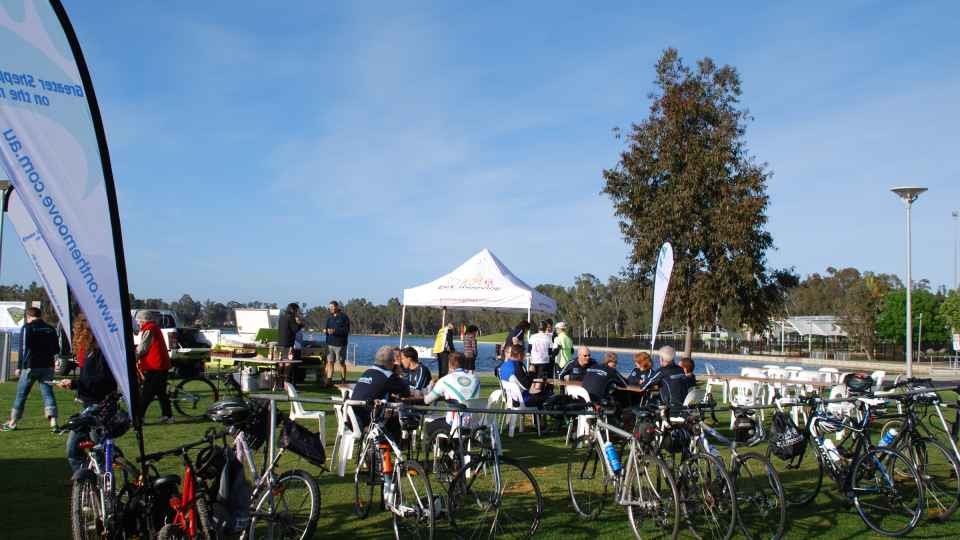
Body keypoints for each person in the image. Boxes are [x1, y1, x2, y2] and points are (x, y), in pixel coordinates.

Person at [57, 316, 117, 473]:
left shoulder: (100, 353)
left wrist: (75, 384)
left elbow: (103, 381)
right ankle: (88, 480)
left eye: (76, 331)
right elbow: (90, 378)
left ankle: (99, 480)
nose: (74, 335)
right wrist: (75, 384)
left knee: (82, 449)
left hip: (99, 406)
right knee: (86, 448)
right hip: (91, 405)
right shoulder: (91, 353)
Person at [2, 307, 60, 432]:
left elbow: (24, 349)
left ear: (28, 317)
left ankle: (12, 422)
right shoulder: (50, 329)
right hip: (47, 366)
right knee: (48, 393)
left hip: (31, 366)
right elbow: (56, 348)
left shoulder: (27, 328)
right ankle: (54, 423)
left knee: (21, 394)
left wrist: (19, 366)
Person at [421, 352, 480, 452]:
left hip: (454, 424)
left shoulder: (445, 380)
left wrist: (431, 386)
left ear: (449, 364)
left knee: (428, 427)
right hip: (474, 423)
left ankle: (429, 457)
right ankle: (454, 452)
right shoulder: (475, 378)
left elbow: (427, 400)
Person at [349, 345, 411, 437]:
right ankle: (393, 444)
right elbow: (406, 392)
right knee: (396, 419)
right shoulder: (387, 375)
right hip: (367, 421)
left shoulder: (367, 371)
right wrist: (400, 374)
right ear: (391, 362)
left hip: (351, 418)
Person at [136, 310, 174, 424]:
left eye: (139, 321)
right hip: (160, 365)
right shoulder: (154, 328)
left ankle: (139, 417)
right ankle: (168, 416)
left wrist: (133, 356)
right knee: (161, 393)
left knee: (147, 393)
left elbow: (143, 348)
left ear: (143, 320)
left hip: (155, 366)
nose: (138, 324)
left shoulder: (149, 329)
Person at [324, 300, 351, 386]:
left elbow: (346, 331)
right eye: (329, 307)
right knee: (330, 362)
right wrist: (326, 331)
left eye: (332, 307)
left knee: (341, 363)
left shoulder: (344, 317)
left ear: (337, 307)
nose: (330, 309)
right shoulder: (329, 318)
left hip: (340, 345)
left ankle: (343, 380)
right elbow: (327, 329)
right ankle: (329, 381)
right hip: (329, 344)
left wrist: (335, 331)